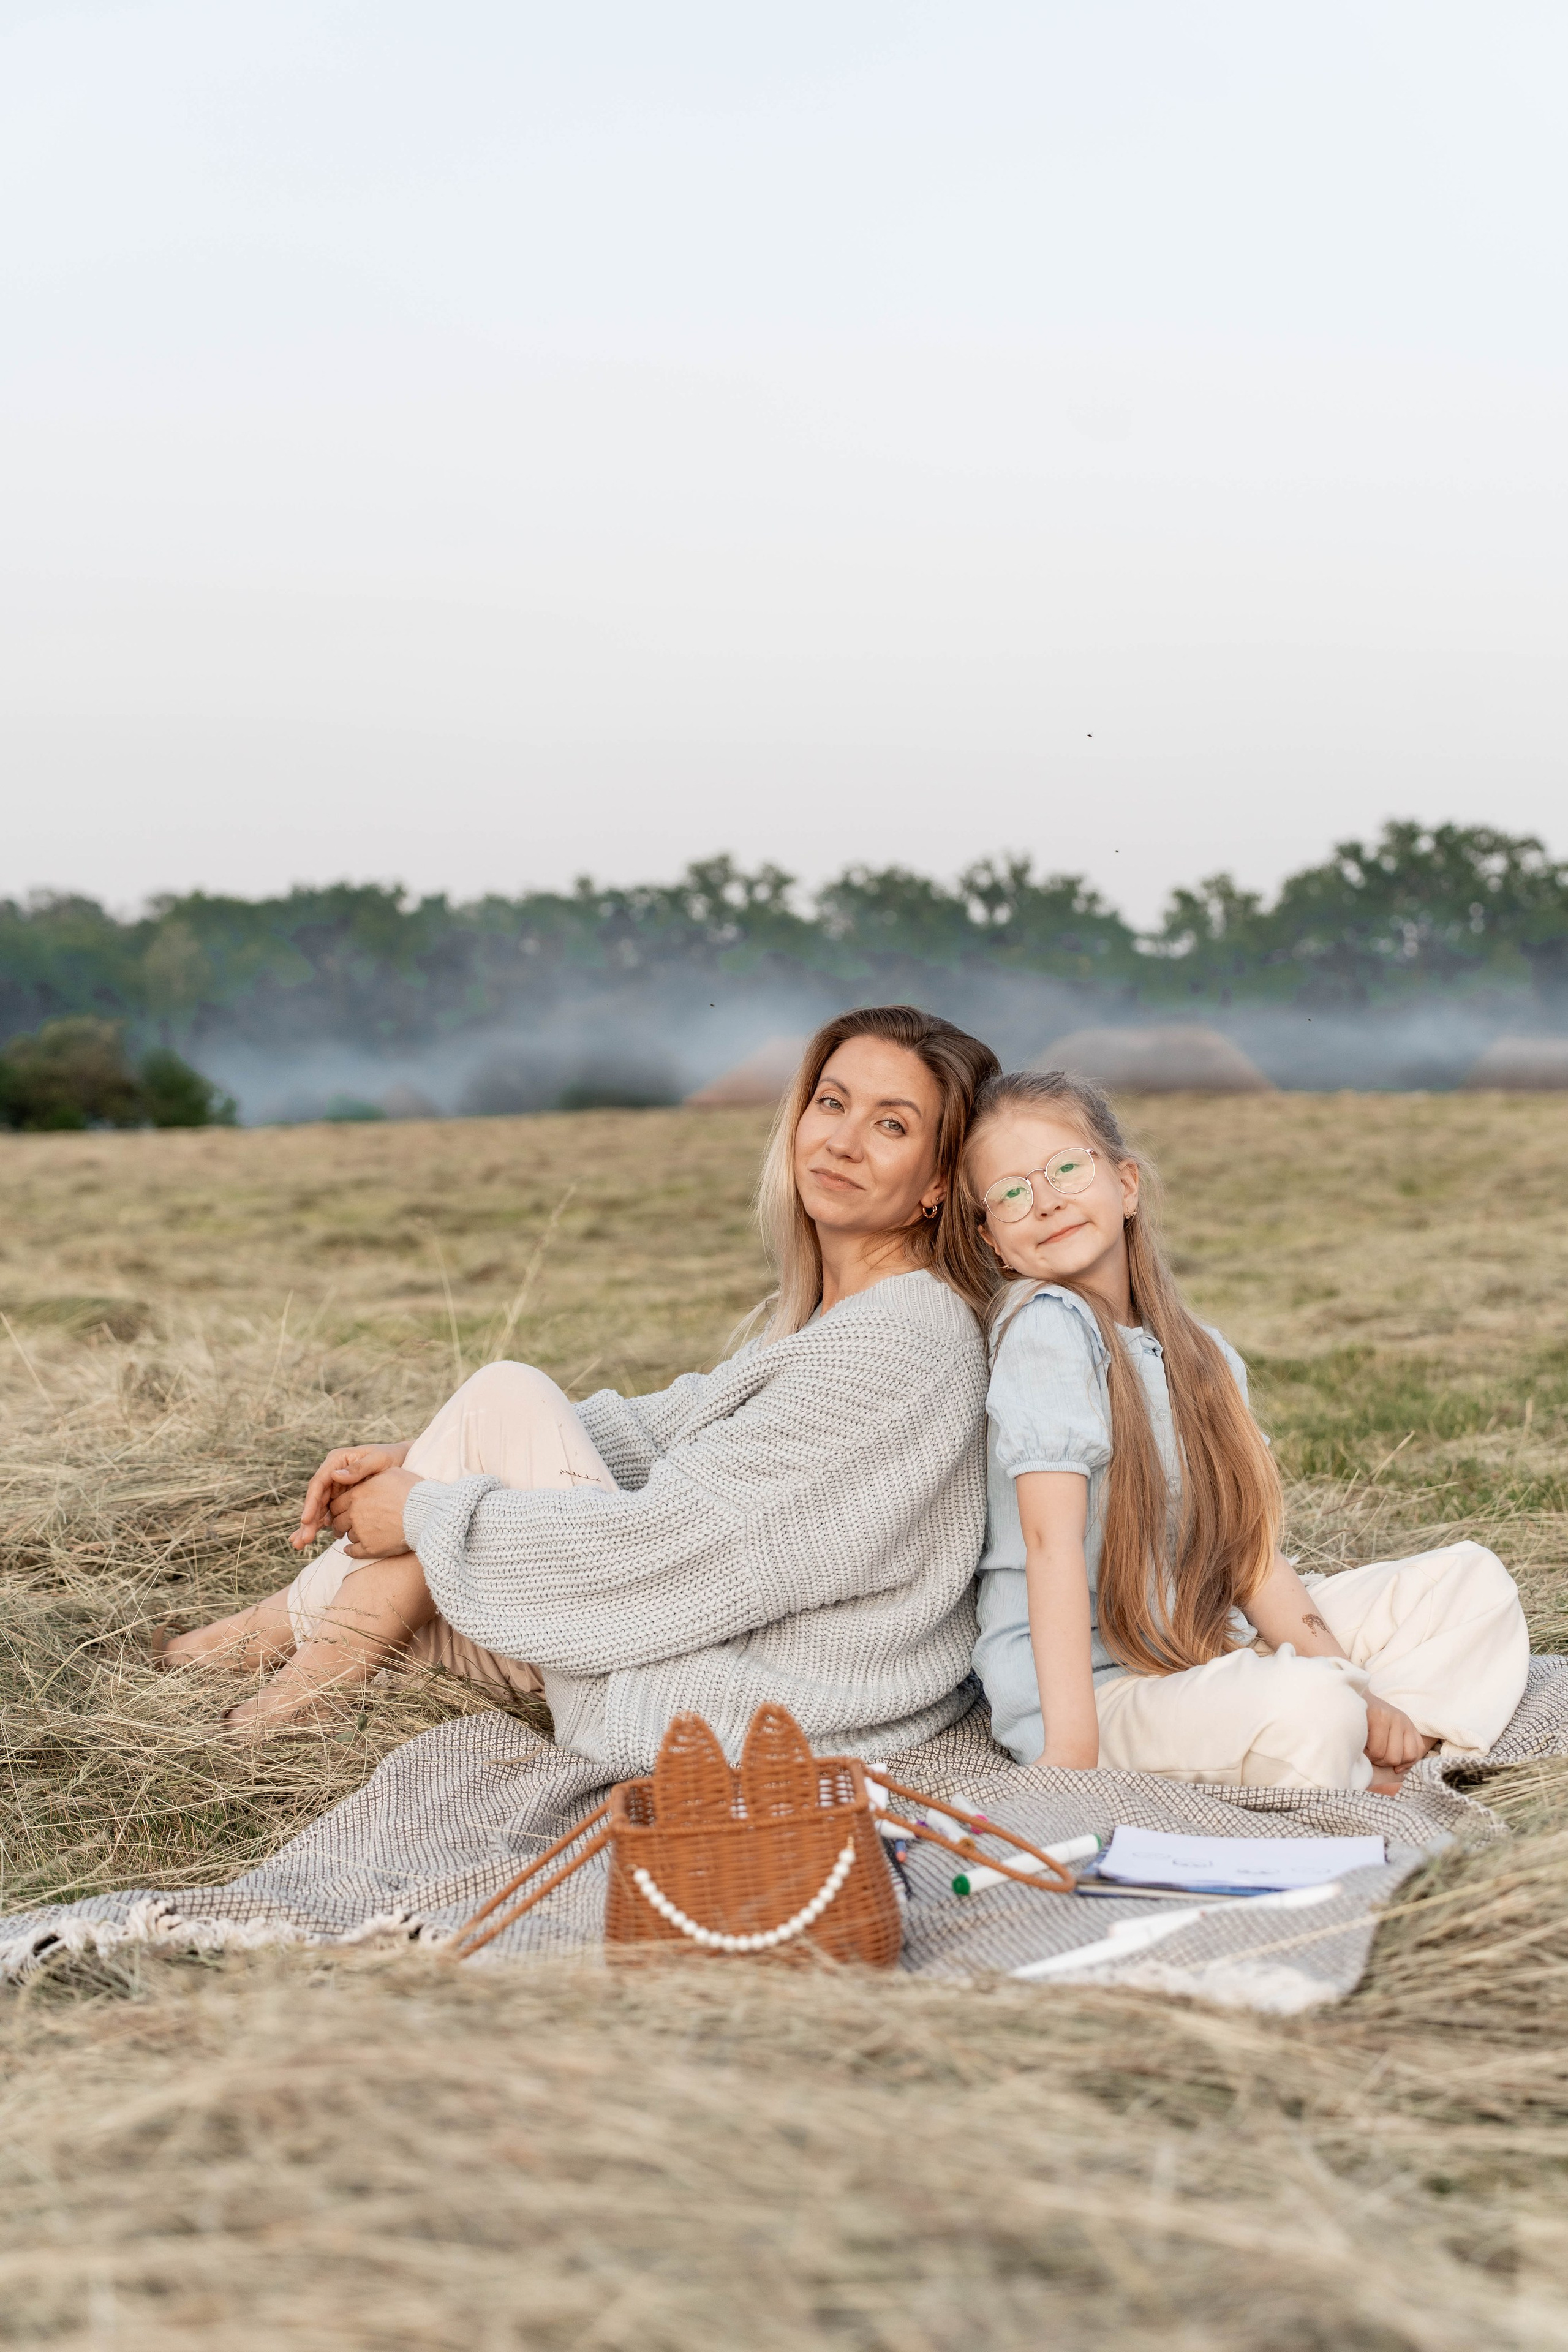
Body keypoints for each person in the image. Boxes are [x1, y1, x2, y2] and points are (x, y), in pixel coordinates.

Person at [162, 1006, 1001, 1770]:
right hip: (718, 1654)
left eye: (890, 1125)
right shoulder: (839, 1314)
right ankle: (282, 1667)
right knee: (497, 1420)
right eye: (831, 1103)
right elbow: (667, 1430)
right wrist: (421, 1463)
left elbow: (682, 1550)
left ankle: (274, 1671)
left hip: (743, 1709)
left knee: (503, 1400)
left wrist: (422, 1506)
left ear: (937, 1182)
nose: (842, 1141)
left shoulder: (903, 1343)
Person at [956, 1069, 1529, 1794]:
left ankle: (1374, 1744)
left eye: (1066, 1167)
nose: (1044, 1200)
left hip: (1204, 1640)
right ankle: (1377, 1759)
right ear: (994, 1241)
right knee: (1310, 1706)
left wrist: (1356, 1686)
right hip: (1099, 1694)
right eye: (1009, 1193)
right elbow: (1049, 1543)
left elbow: (1250, 1560)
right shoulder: (1045, 1328)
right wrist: (1070, 1751)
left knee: (1470, 1584)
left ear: (1125, 1185)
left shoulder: (1204, 1353)